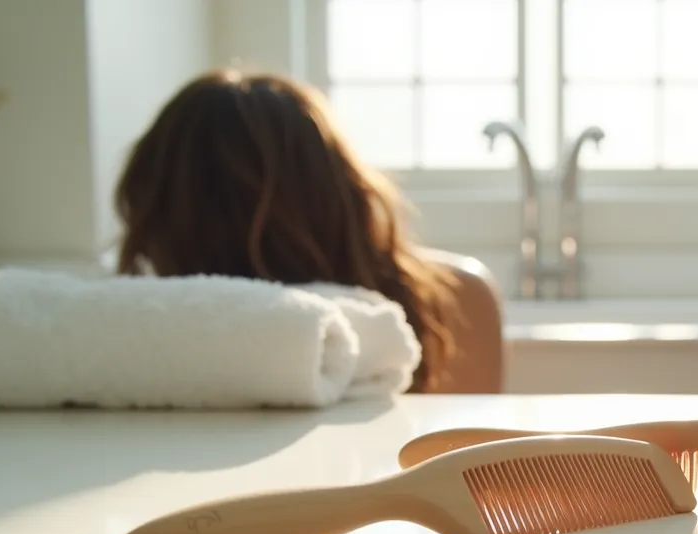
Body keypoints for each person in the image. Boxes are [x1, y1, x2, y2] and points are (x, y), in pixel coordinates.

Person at [112, 69, 503, 393]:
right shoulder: (460, 299)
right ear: (340, 190)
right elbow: (471, 457)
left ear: (159, 212)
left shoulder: (142, 335)